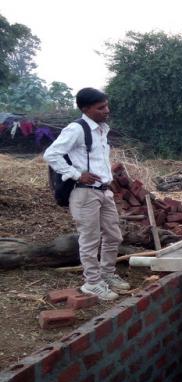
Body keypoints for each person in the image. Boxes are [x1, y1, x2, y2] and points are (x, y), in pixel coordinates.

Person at [43, 88, 129, 301]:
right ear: (85, 109)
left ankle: (107, 274)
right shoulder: (76, 129)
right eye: (101, 108)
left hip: (103, 190)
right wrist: (76, 174)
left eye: (107, 106)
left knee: (113, 235)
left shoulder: (101, 129)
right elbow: (51, 154)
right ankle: (92, 282)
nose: (106, 110)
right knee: (90, 240)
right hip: (84, 194)